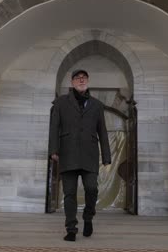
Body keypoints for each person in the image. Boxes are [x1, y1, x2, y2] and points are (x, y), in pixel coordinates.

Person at [49, 69, 111, 242]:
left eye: (84, 78)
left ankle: (88, 217)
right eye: (77, 78)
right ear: (72, 82)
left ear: (88, 81)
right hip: (67, 153)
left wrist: (106, 155)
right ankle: (71, 229)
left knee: (92, 188)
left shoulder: (97, 105)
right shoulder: (60, 103)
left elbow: (102, 131)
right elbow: (54, 127)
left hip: (89, 154)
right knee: (69, 193)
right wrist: (53, 149)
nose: (81, 80)